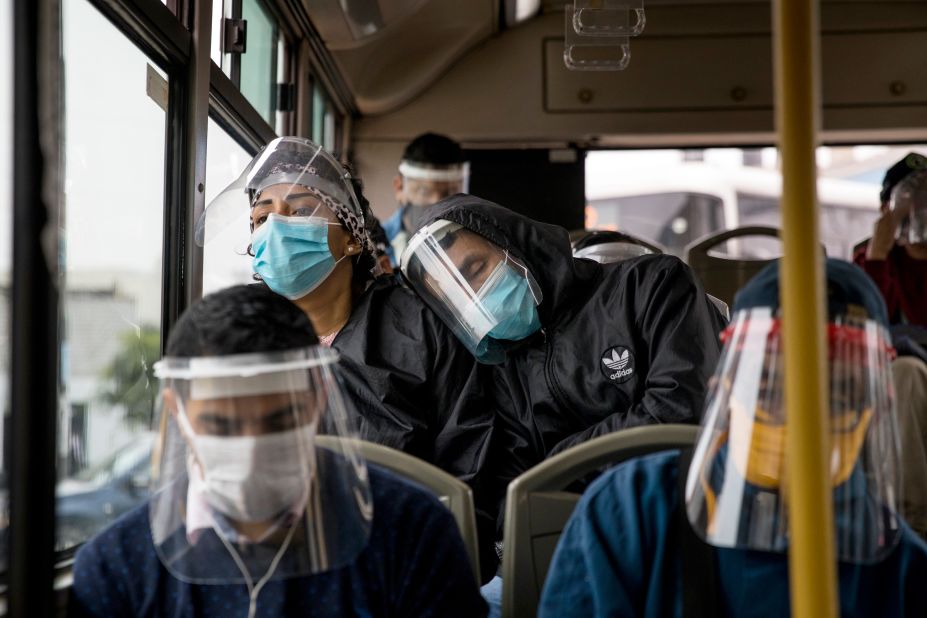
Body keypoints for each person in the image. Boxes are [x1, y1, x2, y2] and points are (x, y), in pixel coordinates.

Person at [538, 258, 927, 617]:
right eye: (771, 387)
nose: (802, 421)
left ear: (872, 411)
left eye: (837, 396)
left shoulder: (903, 567)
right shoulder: (630, 514)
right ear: (724, 385)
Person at [69, 284, 487, 618]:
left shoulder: (411, 534)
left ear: (318, 398)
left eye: (279, 420)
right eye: (222, 424)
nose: (250, 453)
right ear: (177, 410)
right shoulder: (117, 568)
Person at [197, 137, 500, 580]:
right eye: (262, 217)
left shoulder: (419, 325)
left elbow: (470, 469)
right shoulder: (237, 337)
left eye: (300, 210)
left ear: (353, 238)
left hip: (400, 564)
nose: (276, 229)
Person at [400, 194, 725, 516]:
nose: (475, 298)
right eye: (456, 296)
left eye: (476, 268)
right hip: (583, 534)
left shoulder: (650, 286)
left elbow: (682, 411)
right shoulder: (505, 368)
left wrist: (561, 458)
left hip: (689, 507)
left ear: (514, 243)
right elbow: (516, 488)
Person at [853, 152, 927, 327]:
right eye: (911, 200)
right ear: (886, 209)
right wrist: (877, 256)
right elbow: (866, 323)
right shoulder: (868, 261)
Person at [383, 132, 469, 265]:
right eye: (424, 191)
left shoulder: (474, 243)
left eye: (449, 192)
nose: (438, 204)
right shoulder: (374, 244)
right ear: (399, 188)